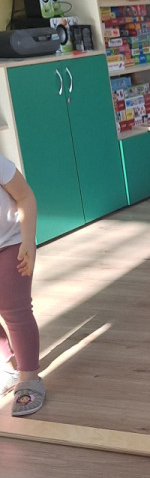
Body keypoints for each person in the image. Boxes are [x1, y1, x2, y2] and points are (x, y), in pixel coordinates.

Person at [0, 155, 44, 417]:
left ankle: (29, 378)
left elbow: (25, 196)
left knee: (15, 310)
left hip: (11, 243)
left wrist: (28, 241)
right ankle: (8, 367)